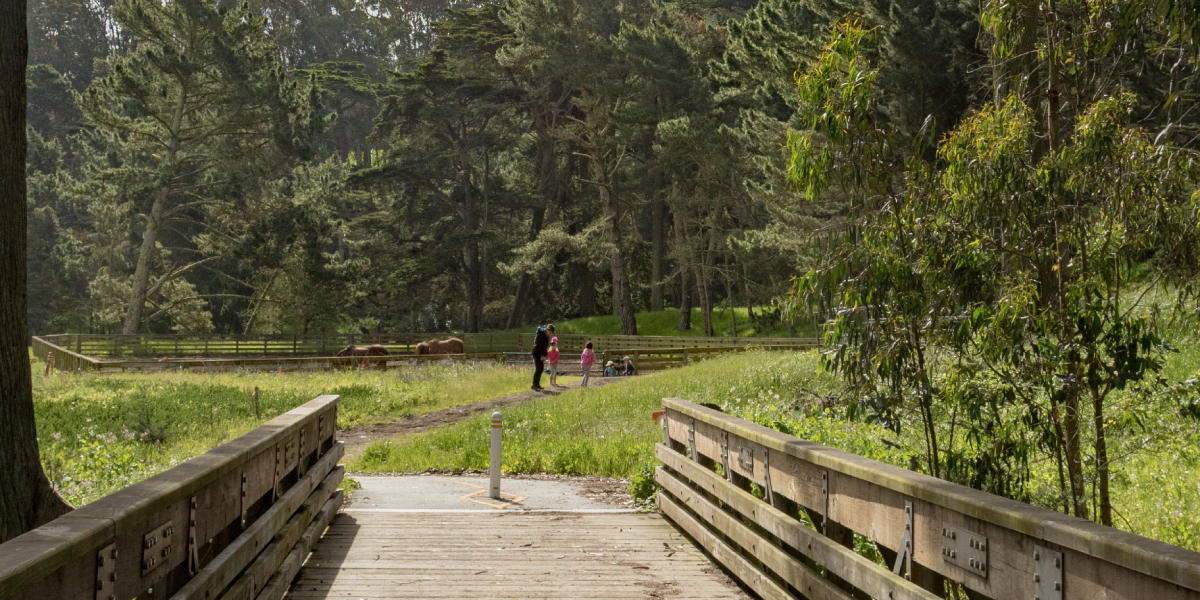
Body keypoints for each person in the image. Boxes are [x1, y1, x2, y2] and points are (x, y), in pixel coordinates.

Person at [530, 323, 554, 390]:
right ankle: (534, 385)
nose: (551, 333)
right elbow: (541, 346)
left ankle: (537, 384)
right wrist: (544, 354)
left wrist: (550, 344)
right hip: (537, 353)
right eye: (551, 332)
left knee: (541, 368)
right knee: (538, 368)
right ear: (548, 330)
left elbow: (545, 344)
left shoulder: (545, 335)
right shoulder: (541, 335)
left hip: (540, 353)